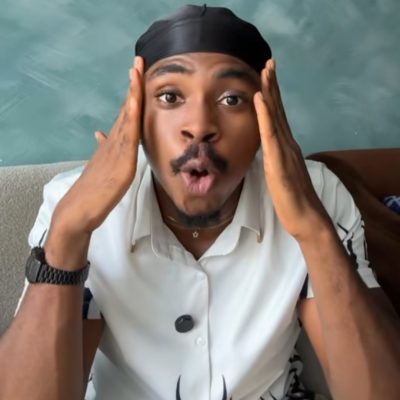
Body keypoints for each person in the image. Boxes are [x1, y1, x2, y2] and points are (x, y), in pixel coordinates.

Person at [1, 5, 399, 400]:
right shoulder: (74, 203)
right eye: (170, 96)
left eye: (232, 99)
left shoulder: (318, 193)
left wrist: (314, 232)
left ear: (268, 117)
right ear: (138, 116)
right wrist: (69, 233)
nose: (200, 126)